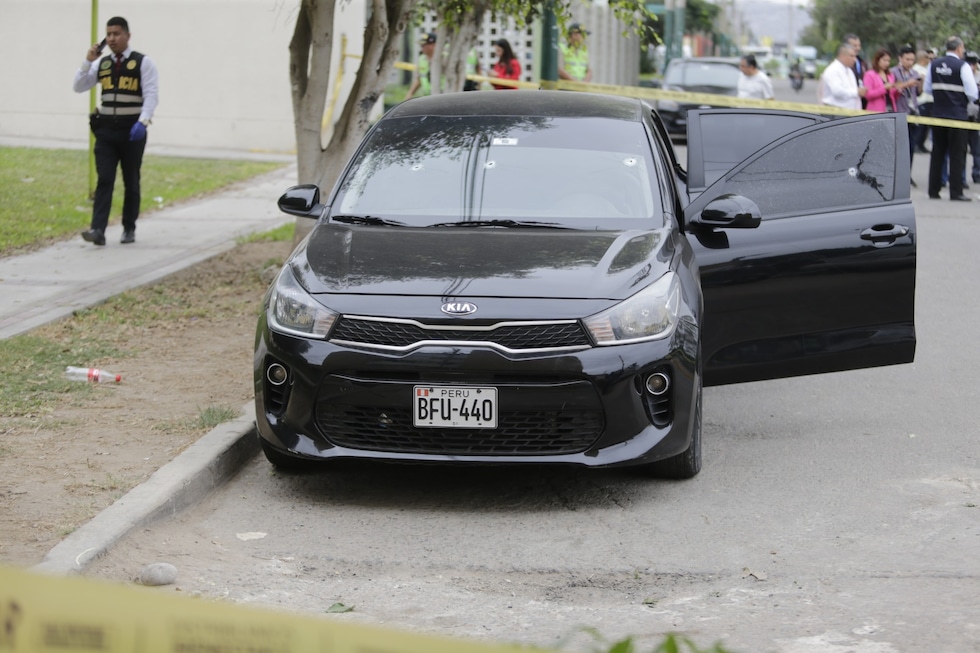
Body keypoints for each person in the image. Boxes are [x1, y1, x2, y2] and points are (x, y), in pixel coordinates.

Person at [72, 16, 158, 246]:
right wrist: (87, 61)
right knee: (105, 179)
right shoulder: (102, 64)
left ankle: (129, 228)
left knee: (131, 180)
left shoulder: (143, 62)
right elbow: (78, 86)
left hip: (132, 131)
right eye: (108, 34)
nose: (111, 38)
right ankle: (97, 230)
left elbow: (151, 94)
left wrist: (143, 121)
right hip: (106, 131)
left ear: (127, 36)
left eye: (116, 34)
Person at [925, 36, 978, 201]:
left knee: (937, 153)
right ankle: (956, 192)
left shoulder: (933, 64)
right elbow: (972, 93)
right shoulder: (962, 66)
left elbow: (927, 89)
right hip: (957, 116)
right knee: (957, 154)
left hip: (938, 114)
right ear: (959, 48)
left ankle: (933, 190)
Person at [891, 45, 923, 185]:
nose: (910, 62)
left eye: (912, 60)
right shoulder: (893, 72)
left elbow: (918, 93)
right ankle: (895, 176)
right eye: (907, 59)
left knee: (911, 146)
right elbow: (892, 90)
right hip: (898, 112)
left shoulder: (915, 73)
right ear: (900, 58)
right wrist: (906, 84)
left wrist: (920, 84)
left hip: (913, 112)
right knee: (898, 147)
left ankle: (907, 175)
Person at [820, 42, 864, 110]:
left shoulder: (849, 70)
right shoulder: (833, 70)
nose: (854, 59)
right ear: (842, 55)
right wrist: (857, 92)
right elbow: (837, 92)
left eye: (855, 56)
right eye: (851, 56)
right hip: (834, 112)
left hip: (848, 112)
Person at [863, 48, 900, 113]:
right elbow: (868, 95)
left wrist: (897, 90)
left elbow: (892, 95)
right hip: (876, 110)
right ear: (877, 60)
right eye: (884, 60)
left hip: (891, 108)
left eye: (888, 61)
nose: (887, 63)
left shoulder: (890, 75)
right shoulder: (869, 74)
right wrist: (884, 88)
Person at [405, 32, 439, 100]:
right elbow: (420, 79)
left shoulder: (443, 59)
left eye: (424, 45)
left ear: (433, 45)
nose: (422, 47)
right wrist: (409, 94)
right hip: (428, 96)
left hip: (443, 94)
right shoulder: (422, 59)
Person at [913, 49, 935, 153]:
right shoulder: (916, 69)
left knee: (927, 125)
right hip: (922, 100)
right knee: (921, 125)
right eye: (927, 57)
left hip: (930, 99)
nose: (929, 60)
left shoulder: (927, 68)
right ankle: (917, 143)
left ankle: (921, 144)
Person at [844, 33, 869, 108]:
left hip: (860, 102)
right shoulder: (842, 64)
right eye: (855, 46)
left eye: (859, 45)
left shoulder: (862, 63)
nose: (858, 48)